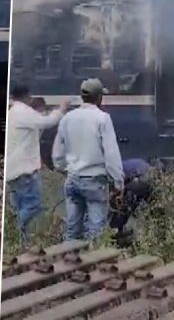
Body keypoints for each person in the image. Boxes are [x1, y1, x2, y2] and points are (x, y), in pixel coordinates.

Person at [53, 78, 124, 241]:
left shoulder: (67, 118)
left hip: (72, 180)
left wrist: (66, 169)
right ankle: (94, 264)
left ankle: (68, 262)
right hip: (95, 182)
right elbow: (111, 154)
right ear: (99, 97)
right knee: (96, 232)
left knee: (72, 230)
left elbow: (57, 155)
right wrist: (118, 182)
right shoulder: (103, 118)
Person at [5, 85, 68, 246]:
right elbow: (47, 122)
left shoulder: (13, 112)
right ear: (27, 96)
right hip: (24, 171)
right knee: (33, 205)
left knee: (21, 207)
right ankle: (12, 232)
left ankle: (20, 241)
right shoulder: (23, 111)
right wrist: (61, 109)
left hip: (14, 170)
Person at [110, 158, 153, 243]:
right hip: (148, 173)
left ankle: (122, 232)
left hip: (142, 176)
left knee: (123, 202)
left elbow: (119, 185)